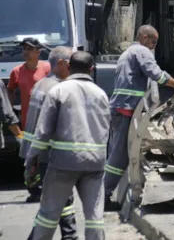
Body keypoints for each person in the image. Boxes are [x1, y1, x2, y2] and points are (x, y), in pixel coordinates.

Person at [103, 24, 174, 210]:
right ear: (144, 37)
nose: (154, 46)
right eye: (153, 41)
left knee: (119, 153)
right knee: (119, 156)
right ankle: (102, 196)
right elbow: (157, 75)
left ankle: (108, 192)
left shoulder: (128, 53)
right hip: (126, 108)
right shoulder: (141, 51)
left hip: (122, 108)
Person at [25, 51, 110, 239]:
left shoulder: (59, 91)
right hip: (95, 164)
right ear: (91, 69)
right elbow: (105, 130)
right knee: (95, 218)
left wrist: (31, 160)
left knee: (48, 215)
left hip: (63, 164)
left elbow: (43, 131)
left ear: (69, 67)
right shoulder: (101, 94)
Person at [20, 46, 78, 239]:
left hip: (43, 155)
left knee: (54, 202)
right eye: (71, 64)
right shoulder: (57, 89)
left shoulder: (41, 85)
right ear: (60, 64)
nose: (74, 68)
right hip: (53, 155)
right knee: (59, 202)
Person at [7, 37, 51, 130]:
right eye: (24, 49)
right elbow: (10, 89)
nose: (26, 52)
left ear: (38, 52)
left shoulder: (48, 68)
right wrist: (10, 108)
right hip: (27, 118)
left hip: (46, 116)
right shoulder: (16, 71)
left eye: (30, 49)